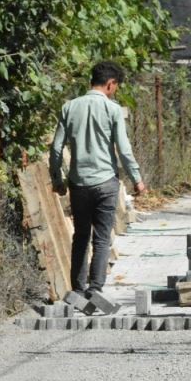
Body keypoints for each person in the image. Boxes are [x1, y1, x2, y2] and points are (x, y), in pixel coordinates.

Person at [49, 61, 146, 298]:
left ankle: (78, 289)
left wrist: (57, 179)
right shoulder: (112, 110)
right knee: (102, 237)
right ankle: (96, 287)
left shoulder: (69, 107)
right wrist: (137, 179)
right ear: (111, 85)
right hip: (105, 182)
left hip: (78, 183)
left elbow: (56, 149)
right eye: (117, 86)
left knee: (81, 235)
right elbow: (123, 149)